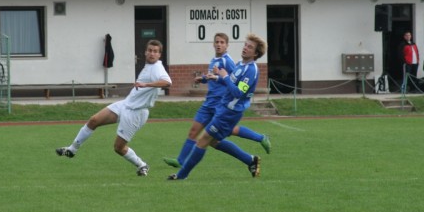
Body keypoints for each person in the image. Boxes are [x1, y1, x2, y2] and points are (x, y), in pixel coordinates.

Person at [56, 39, 172, 176]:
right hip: (126, 104)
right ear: (146, 52)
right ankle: (72, 149)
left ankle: (142, 165)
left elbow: (167, 82)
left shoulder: (157, 68)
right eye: (150, 50)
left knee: (118, 148)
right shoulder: (149, 66)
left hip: (136, 113)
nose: (152, 53)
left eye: (155, 51)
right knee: (94, 120)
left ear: (159, 55)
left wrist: (146, 85)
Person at [163, 33, 270, 169]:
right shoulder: (214, 60)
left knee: (220, 136)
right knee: (198, 133)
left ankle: (258, 142)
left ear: (227, 45)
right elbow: (217, 77)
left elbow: (233, 81)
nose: (219, 45)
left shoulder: (228, 61)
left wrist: (224, 80)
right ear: (213, 44)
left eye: (222, 42)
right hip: (209, 103)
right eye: (217, 42)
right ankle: (181, 161)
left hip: (221, 104)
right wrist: (204, 79)